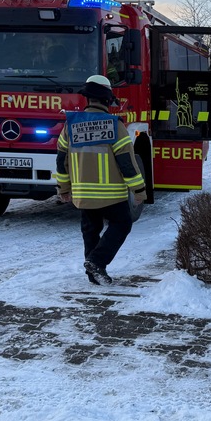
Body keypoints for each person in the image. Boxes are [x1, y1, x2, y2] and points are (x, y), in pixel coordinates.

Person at [56, 75, 146, 285]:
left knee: (90, 231)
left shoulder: (71, 125)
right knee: (122, 223)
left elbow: (61, 160)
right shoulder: (114, 125)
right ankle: (97, 262)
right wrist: (139, 190)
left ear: (88, 98)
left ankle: (94, 275)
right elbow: (126, 162)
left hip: (83, 193)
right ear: (107, 99)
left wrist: (63, 188)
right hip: (111, 194)